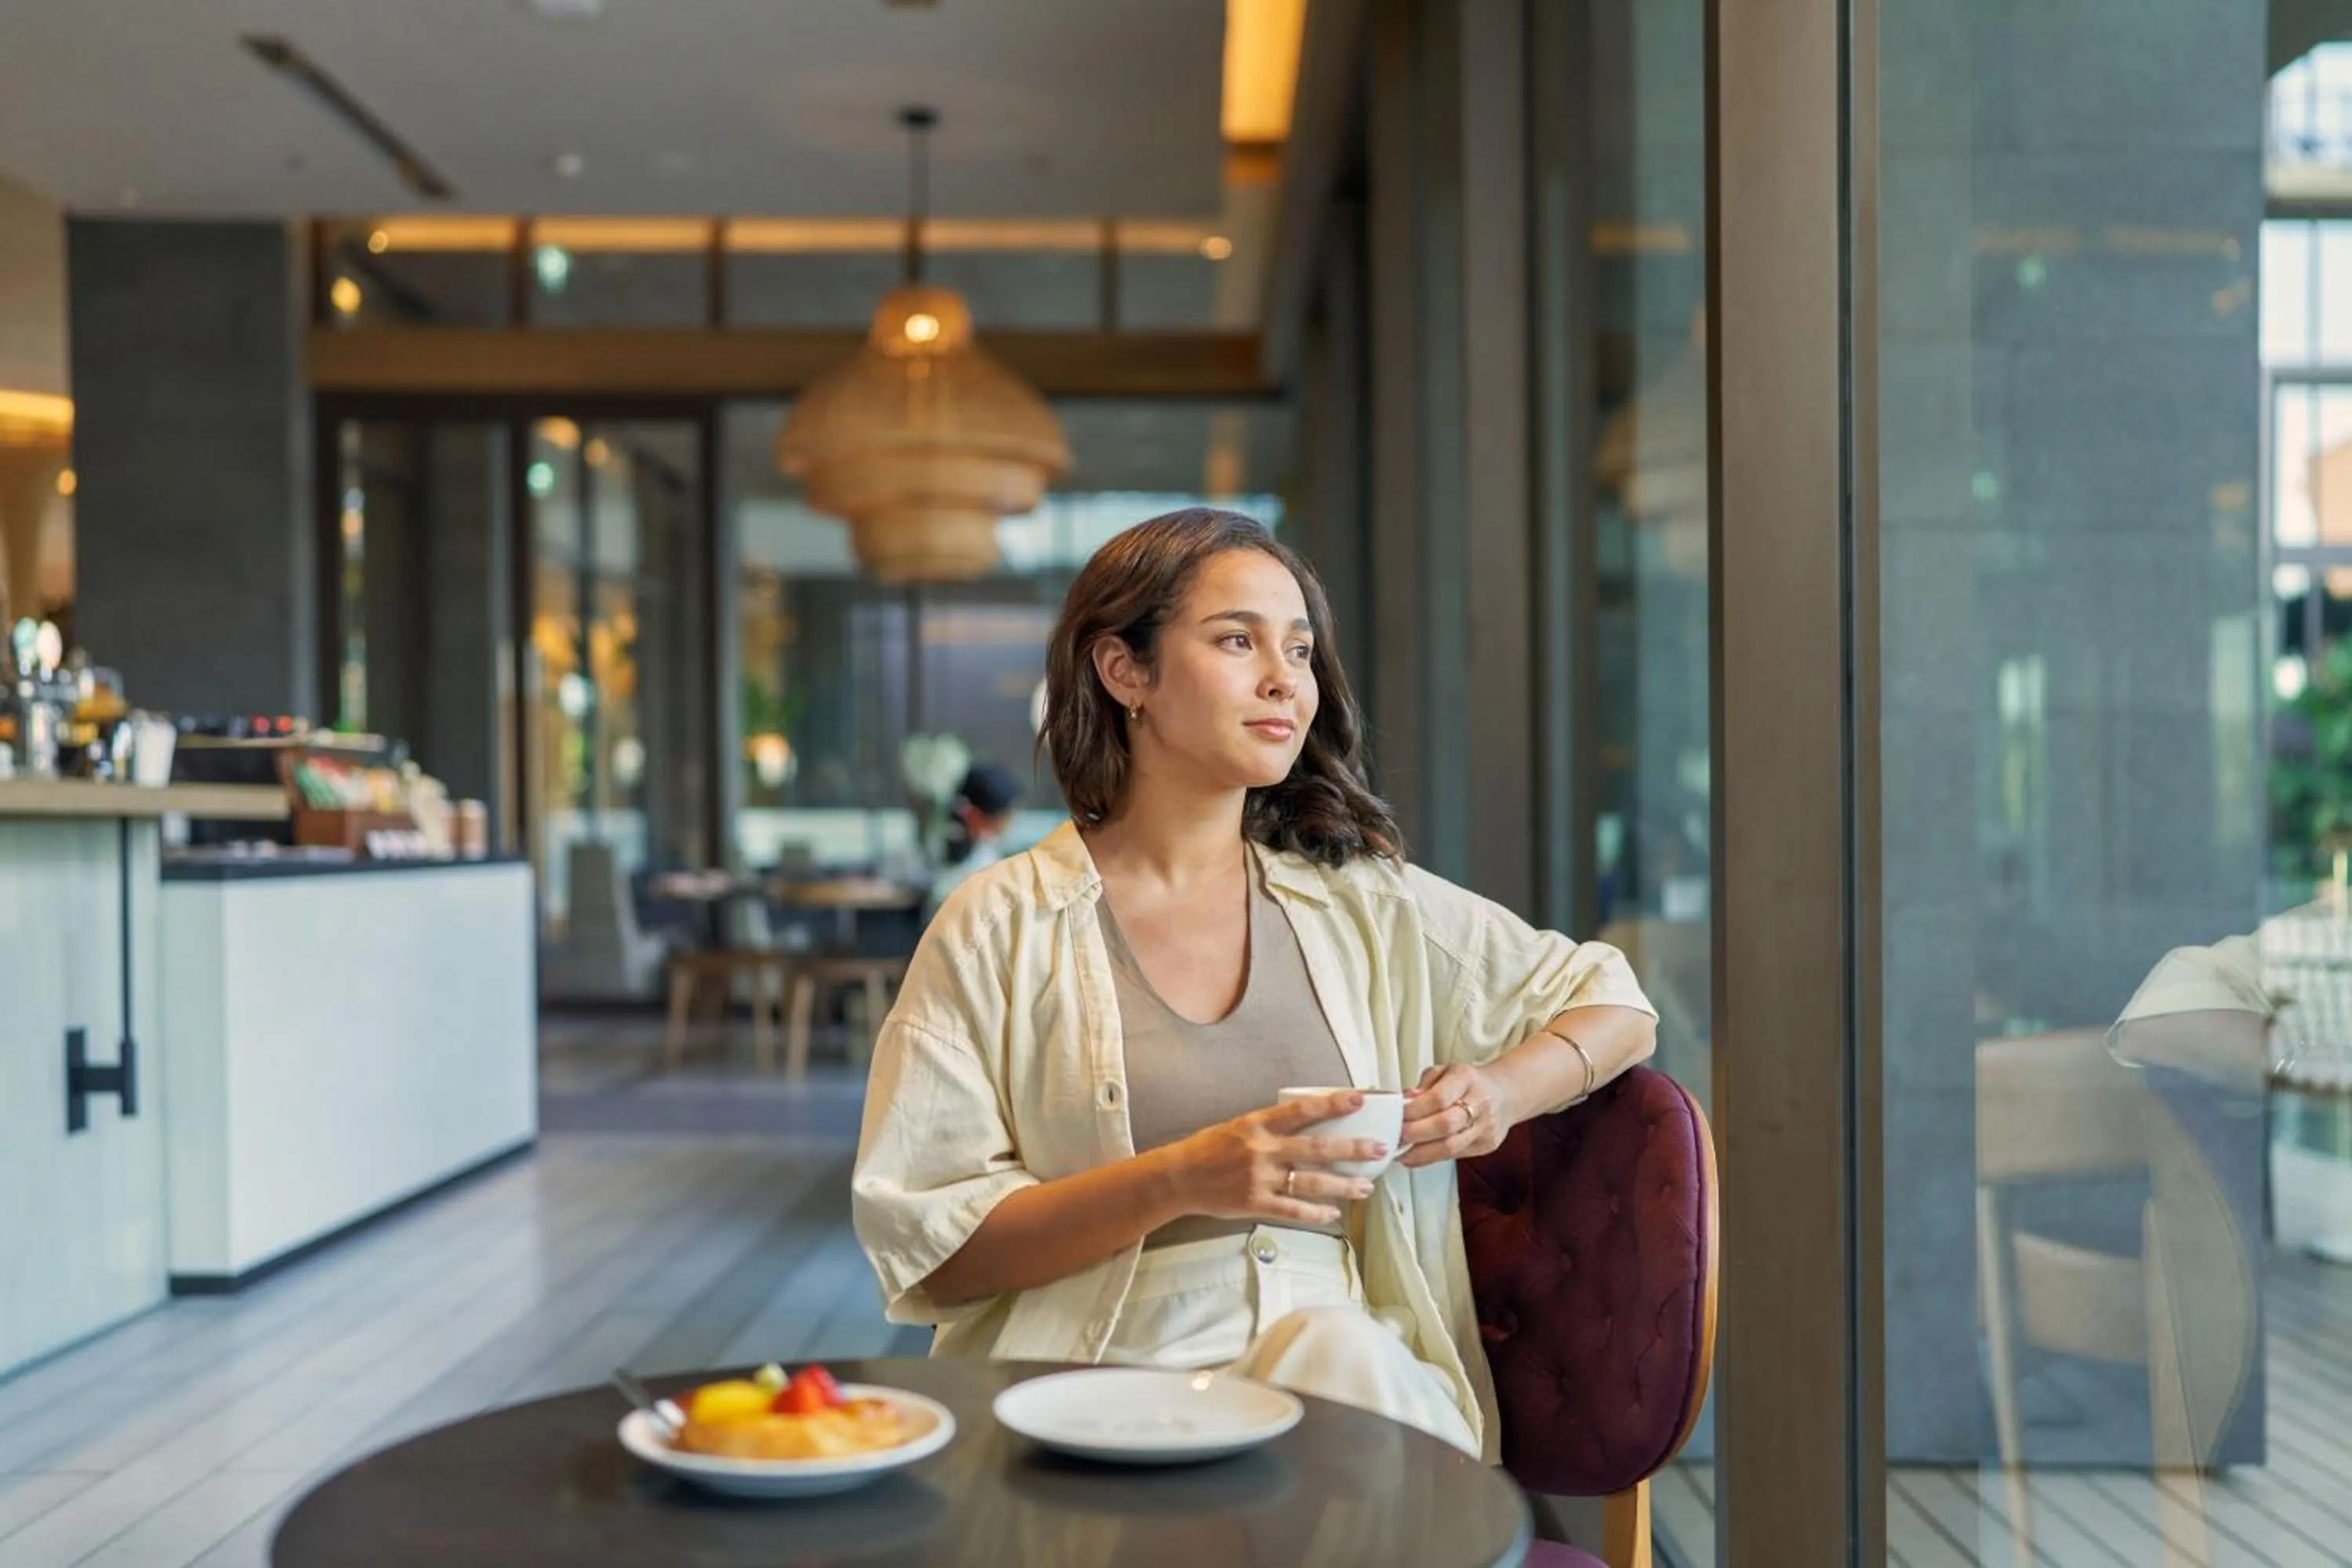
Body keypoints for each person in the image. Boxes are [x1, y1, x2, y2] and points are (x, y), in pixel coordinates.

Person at [852, 508, 1657, 1460]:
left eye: (1300, 649)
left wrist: (1497, 1092)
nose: (1285, 679)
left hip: (1342, 1377)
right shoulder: (999, 925)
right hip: (1096, 1390)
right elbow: (937, 1252)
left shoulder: (1363, 903)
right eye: (1237, 640)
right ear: (1124, 671)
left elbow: (1615, 1004)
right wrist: (1185, 1176)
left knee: (1339, 1351)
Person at [924, 760, 1024, 916]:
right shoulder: (953, 847)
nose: (1008, 822)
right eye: (1002, 816)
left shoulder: (985, 842)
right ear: (973, 815)